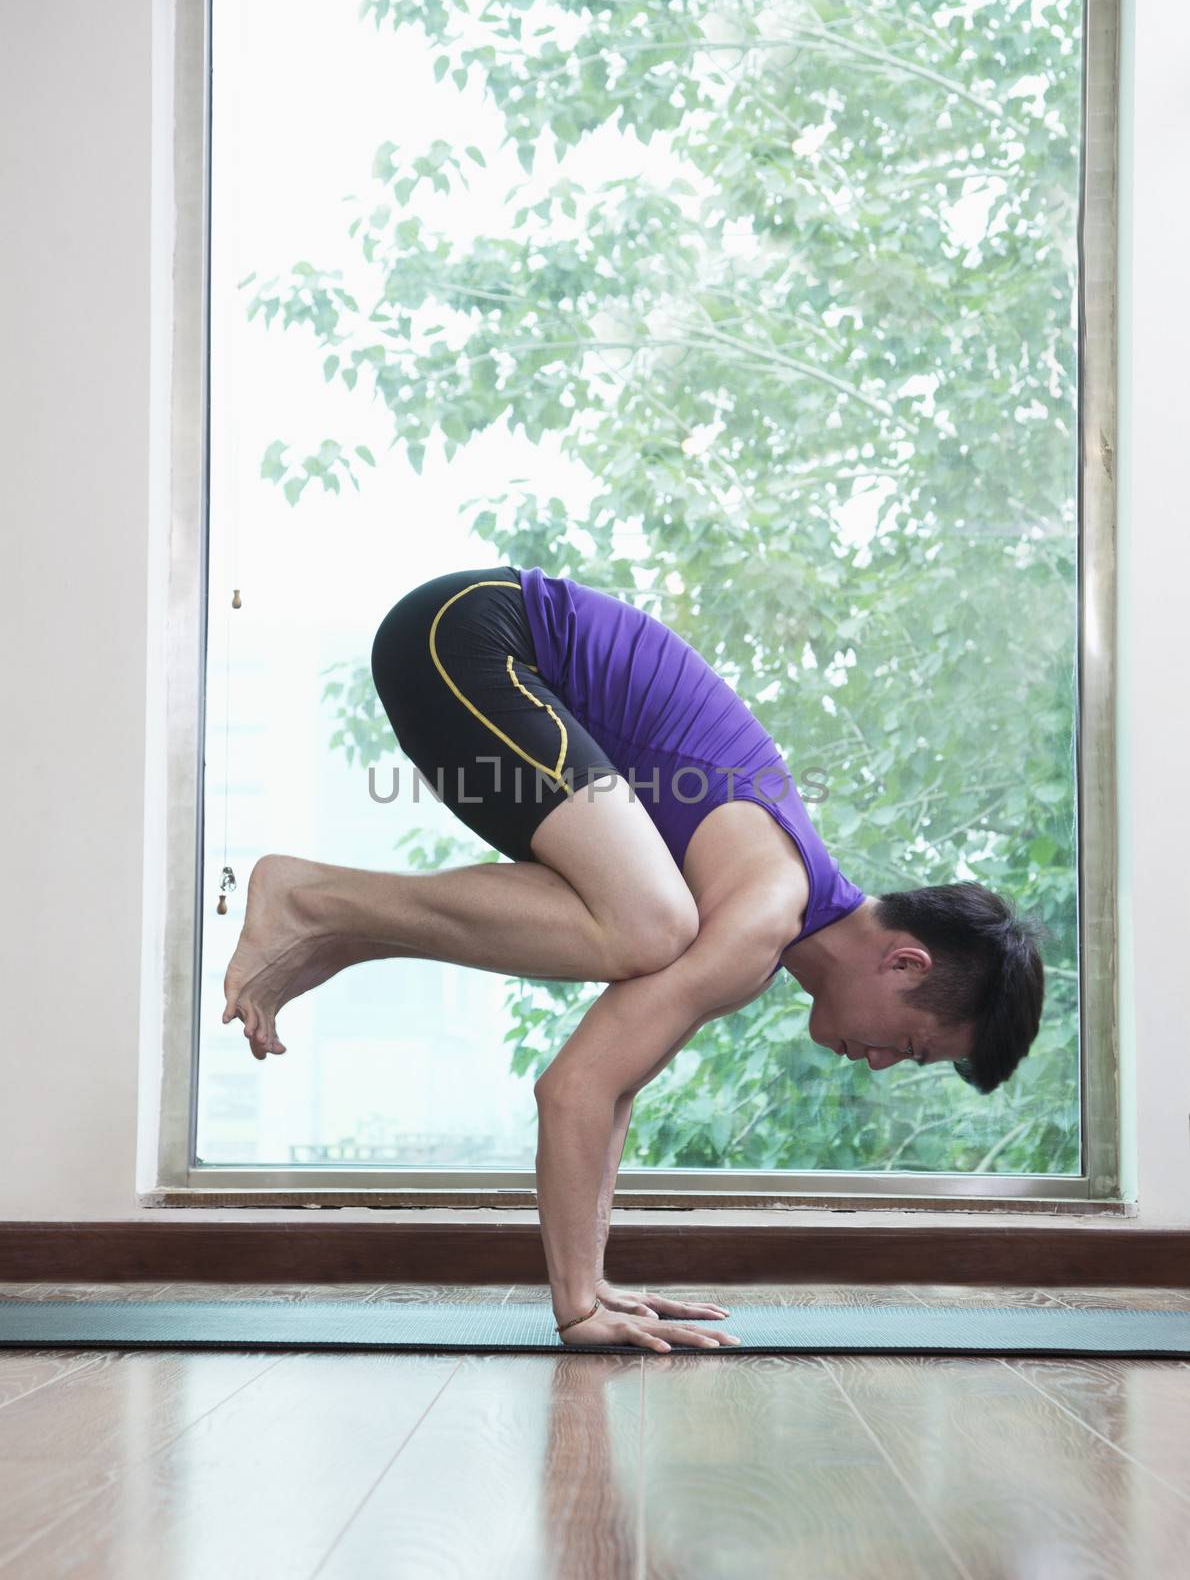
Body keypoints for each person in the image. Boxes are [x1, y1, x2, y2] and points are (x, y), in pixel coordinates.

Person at [222, 562, 1047, 1352]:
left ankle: (337, 926)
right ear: (906, 964)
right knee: (651, 923)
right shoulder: (763, 915)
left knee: (648, 922)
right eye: (906, 1047)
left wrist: (595, 1281)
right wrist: (576, 1308)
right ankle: (314, 903)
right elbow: (572, 1089)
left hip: (462, 652)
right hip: (471, 634)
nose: (875, 1064)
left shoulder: (757, 935)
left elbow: (611, 1088)